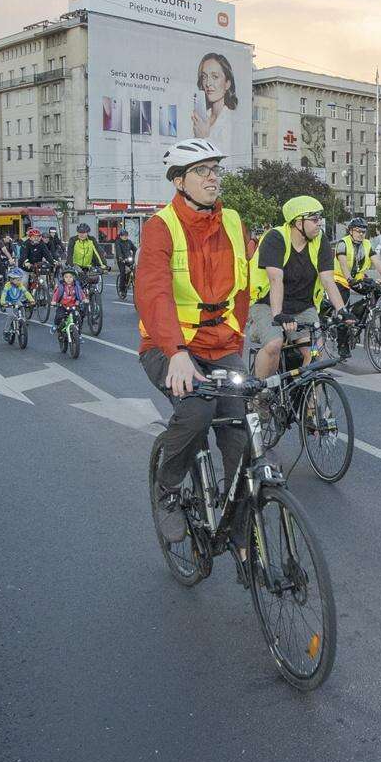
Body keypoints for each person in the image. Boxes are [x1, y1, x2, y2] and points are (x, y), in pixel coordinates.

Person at [136, 138, 252, 542]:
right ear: (180, 181)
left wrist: (237, 344)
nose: (213, 177)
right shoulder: (160, 227)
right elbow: (154, 293)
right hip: (166, 347)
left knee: (242, 435)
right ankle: (167, 488)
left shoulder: (234, 222)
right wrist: (176, 352)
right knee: (197, 412)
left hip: (221, 346)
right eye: (202, 171)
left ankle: (243, 544)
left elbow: (244, 286)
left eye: (216, 170)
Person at [250, 195, 348, 379]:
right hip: (267, 304)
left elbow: (327, 279)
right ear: (298, 222)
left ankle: (308, 405)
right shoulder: (276, 238)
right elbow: (275, 279)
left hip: (302, 305)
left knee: (315, 352)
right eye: (314, 219)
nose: (319, 223)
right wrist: (278, 314)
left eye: (320, 218)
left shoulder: (321, 241)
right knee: (274, 345)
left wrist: (342, 310)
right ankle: (260, 393)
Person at [190, 52, 240, 161]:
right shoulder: (202, 117)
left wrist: (203, 138)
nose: (208, 83)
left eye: (215, 77)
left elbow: (226, 162)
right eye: (204, 77)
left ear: (227, 83)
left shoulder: (232, 121)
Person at [333, 217, 375, 292]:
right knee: (343, 301)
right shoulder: (343, 243)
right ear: (351, 231)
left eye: (363, 232)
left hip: (356, 280)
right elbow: (343, 265)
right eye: (358, 231)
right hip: (340, 280)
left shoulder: (367, 243)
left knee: (374, 290)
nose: (361, 234)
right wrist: (349, 279)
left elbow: (377, 261)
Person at [111, 226, 137, 299]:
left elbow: (134, 249)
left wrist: (136, 255)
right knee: (122, 273)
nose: (125, 237)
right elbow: (118, 251)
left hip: (129, 259)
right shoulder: (118, 242)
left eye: (126, 235)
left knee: (133, 270)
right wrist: (120, 257)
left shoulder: (129, 242)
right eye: (123, 235)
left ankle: (131, 281)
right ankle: (122, 289)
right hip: (121, 260)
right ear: (120, 236)